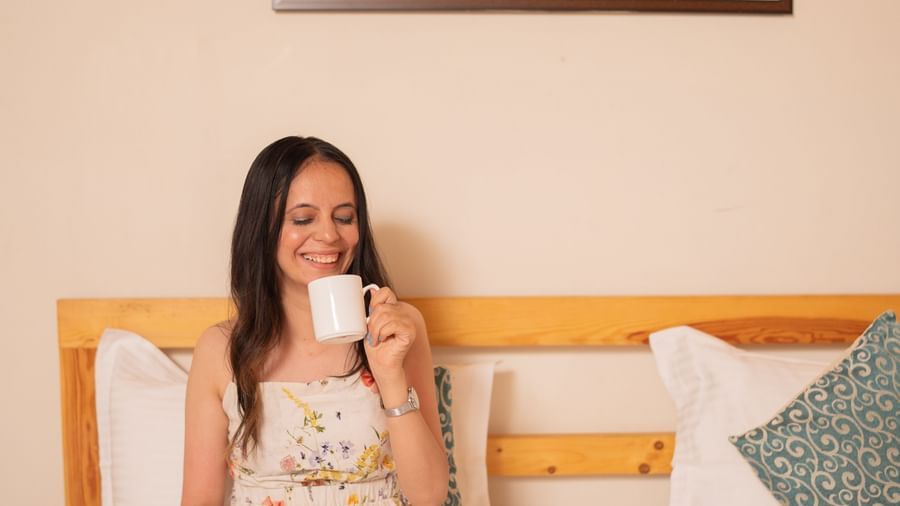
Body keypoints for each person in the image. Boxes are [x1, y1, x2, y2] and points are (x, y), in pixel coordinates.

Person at [182, 136, 449, 506]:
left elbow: (430, 497)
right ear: (263, 228)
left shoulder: (398, 330)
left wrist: (390, 376)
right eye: (303, 218)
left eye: (344, 217)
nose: (329, 235)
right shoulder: (218, 350)